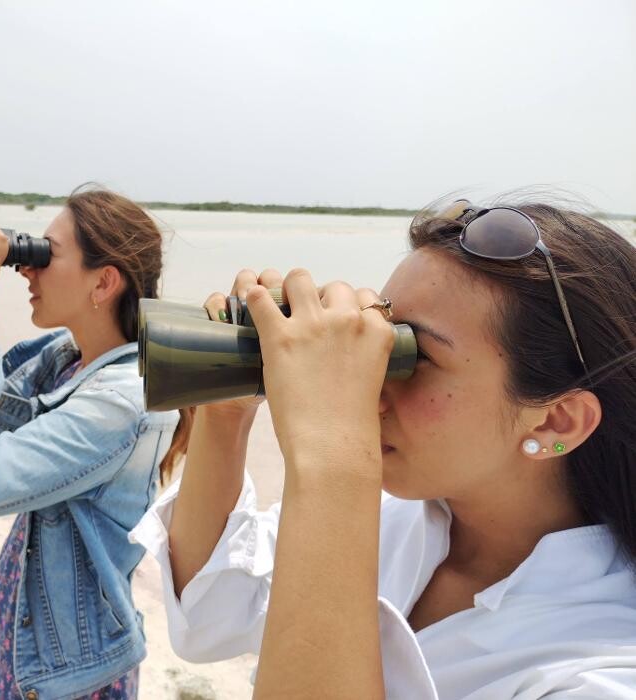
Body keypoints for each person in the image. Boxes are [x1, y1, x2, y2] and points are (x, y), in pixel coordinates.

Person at [130, 199, 636, 698]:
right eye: (383, 340)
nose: (367, 384)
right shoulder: (399, 519)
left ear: (555, 420)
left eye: (412, 358)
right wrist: (228, 408)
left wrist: (332, 457)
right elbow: (210, 613)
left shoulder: (603, 667)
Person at [0, 186, 189, 700]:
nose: (24, 269)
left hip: (73, 680)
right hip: (29, 649)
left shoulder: (121, 403)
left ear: (103, 282)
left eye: (42, 255)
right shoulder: (65, 360)